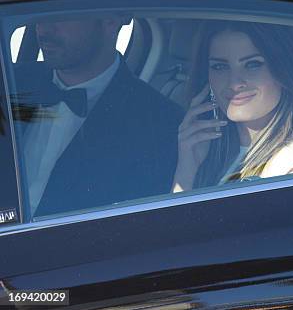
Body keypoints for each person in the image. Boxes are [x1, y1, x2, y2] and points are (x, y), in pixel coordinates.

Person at [11, 13, 183, 218]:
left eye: (59, 14)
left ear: (110, 20)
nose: (43, 29)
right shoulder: (9, 80)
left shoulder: (161, 122)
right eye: (41, 13)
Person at [172, 20, 293, 192]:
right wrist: (187, 168)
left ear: (285, 72)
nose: (234, 82)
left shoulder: (292, 168)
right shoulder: (218, 152)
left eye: (253, 64)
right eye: (220, 66)